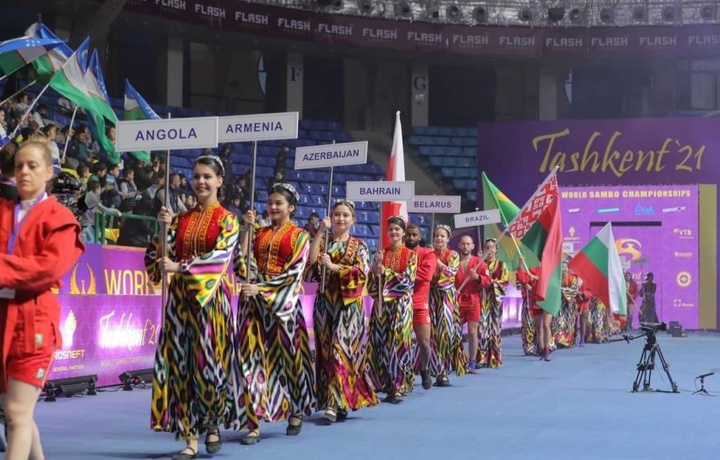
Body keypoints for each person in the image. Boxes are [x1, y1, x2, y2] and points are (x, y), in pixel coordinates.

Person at [145, 155, 242, 460]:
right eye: (197, 176)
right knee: (179, 368)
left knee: (210, 366)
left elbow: (220, 258)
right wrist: (161, 232)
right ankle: (190, 438)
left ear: (219, 181)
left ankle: (212, 422)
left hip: (211, 303)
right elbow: (160, 258)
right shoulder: (179, 219)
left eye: (207, 177)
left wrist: (180, 266)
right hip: (179, 305)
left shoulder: (228, 219)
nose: (201, 181)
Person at [0, 140, 84, 460]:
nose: (24, 172)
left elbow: (47, 270)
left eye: (33, 166)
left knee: (16, 413)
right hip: (2, 317)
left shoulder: (60, 217)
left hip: (33, 321)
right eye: (19, 165)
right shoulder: (3, 210)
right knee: (17, 411)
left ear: (49, 172)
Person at [235, 183, 315, 445]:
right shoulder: (259, 232)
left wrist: (261, 287)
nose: (272, 207)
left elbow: (294, 273)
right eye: (270, 202)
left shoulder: (301, 236)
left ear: (291, 207)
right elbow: (242, 262)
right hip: (254, 305)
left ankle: (296, 408)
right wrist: (246, 231)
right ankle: (254, 422)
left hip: (283, 307)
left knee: (290, 360)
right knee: (250, 360)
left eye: (278, 203)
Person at [305, 200, 378, 423]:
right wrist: (319, 233)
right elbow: (310, 266)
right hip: (324, 303)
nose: (341, 218)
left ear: (353, 220)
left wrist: (335, 268)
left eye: (346, 215)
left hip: (348, 305)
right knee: (326, 352)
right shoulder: (323, 242)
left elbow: (361, 273)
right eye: (337, 214)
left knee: (340, 350)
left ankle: (333, 403)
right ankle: (339, 399)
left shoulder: (360, 246)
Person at [368, 216, 417, 403]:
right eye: (391, 230)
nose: (394, 232)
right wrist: (375, 268)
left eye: (397, 229)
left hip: (401, 305)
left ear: (403, 232)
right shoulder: (381, 254)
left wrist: (386, 273)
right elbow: (372, 283)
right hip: (382, 305)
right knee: (380, 343)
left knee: (399, 343)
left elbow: (408, 281)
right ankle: (383, 383)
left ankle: (399, 384)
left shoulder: (411, 255)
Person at [429, 224, 467, 386]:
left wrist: (435, 261)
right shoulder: (428, 253)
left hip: (446, 297)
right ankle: (433, 368)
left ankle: (444, 369)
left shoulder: (453, 255)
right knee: (431, 332)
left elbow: (450, 273)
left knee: (445, 331)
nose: (439, 238)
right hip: (430, 296)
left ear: (448, 239)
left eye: (442, 236)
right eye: (437, 235)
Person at [404, 223, 435, 390]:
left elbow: (427, 275)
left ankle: (425, 369)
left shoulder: (428, 253)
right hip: (400, 303)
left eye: (414, 235)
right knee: (402, 342)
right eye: (408, 234)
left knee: (424, 342)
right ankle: (403, 375)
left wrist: (403, 273)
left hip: (419, 303)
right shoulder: (398, 252)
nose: (411, 238)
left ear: (420, 236)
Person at [455, 235, 491, 373]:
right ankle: (457, 359)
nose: (465, 246)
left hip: (473, 300)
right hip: (457, 299)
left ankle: (472, 362)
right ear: (459, 245)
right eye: (463, 244)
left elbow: (488, 281)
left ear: (472, 246)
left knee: (472, 332)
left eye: (468, 244)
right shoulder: (454, 261)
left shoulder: (479, 263)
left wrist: (477, 277)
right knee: (454, 332)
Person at [477, 238, 509, 367]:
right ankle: (482, 357)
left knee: (495, 329)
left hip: (495, 301)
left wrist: (494, 283)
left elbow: (505, 282)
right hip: (482, 300)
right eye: (487, 248)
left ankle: (494, 357)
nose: (489, 250)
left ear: (496, 250)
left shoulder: (501, 265)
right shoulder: (479, 264)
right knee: (482, 327)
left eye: (492, 248)